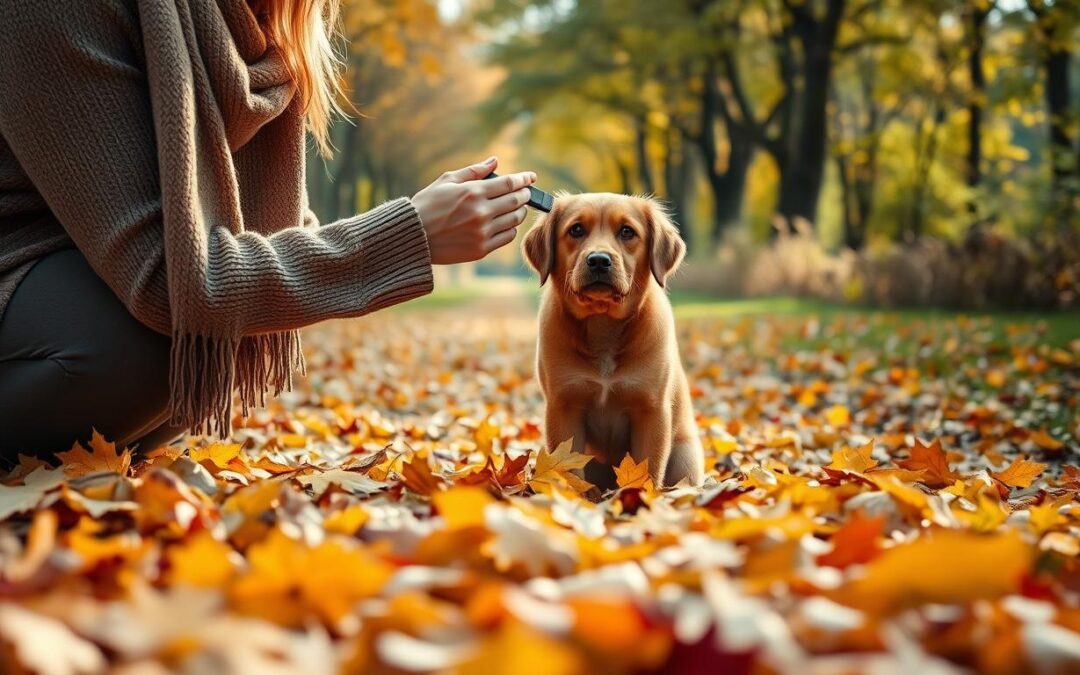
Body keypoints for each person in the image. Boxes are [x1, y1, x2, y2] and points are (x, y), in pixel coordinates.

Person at [0, 0, 536, 463]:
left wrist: (420, 218)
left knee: (201, 357)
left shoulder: (260, 37)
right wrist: (408, 233)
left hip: (78, 270)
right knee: (160, 349)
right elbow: (173, 280)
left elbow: (283, 234)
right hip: (22, 265)